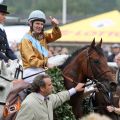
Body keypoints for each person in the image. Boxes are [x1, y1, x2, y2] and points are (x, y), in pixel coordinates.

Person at [15, 74, 84, 120]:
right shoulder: (29, 104)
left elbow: (59, 97)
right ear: (42, 88)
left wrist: (75, 89)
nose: (52, 86)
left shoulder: (48, 98)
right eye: (50, 85)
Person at [19, 10, 61, 83]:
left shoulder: (43, 35)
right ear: (30, 24)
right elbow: (32, 61)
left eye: (41, 24)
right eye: (37, 23)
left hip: (42, 70)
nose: (40, 26)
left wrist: (55, 26)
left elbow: (56, 36)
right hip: (30, 71)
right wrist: (46, 63)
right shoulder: (25, 40)